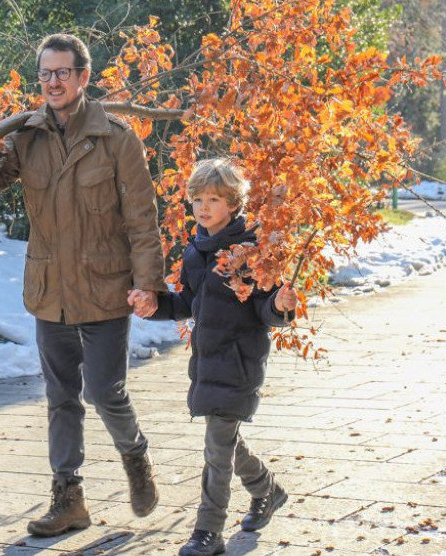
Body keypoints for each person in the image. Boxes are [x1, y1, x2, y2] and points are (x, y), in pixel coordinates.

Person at [0, 33, 166, 537]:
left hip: (105, 288)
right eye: (46, 74)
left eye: (63, 72)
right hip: (49, 290)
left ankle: (135, 455)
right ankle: (69, 499)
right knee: (61, 397)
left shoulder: (116, 139)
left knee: (105, 393)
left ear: (84, 77)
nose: (53, 82)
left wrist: (148, 285)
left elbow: (142, 220)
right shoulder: (28, 135)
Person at [130, 158, 297, 556]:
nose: (203, 207)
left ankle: (208, 531)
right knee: (224, 440)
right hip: (206, 359)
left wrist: (280, 304)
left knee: (216, 448)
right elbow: (189, 301)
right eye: (198, 199)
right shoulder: (196, 249)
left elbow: (265, 310)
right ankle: (266, 489)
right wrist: (156, 305)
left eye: (214, 199)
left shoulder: (250, 249)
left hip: (241, 360)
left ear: (233, 203)